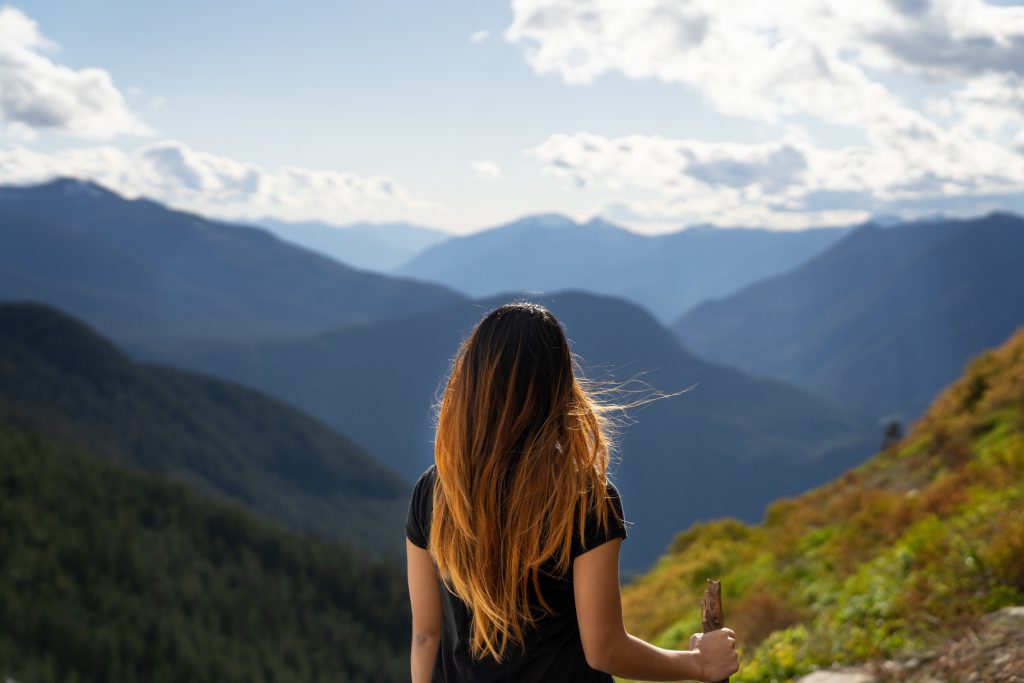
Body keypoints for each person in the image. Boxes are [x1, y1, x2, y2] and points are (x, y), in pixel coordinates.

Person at [406, 302, 740, 682]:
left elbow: (425, 635)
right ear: (559, 387)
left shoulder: (432, 492)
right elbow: (605, 650)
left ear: (470, 386)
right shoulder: (583, 500)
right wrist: (698, 663)